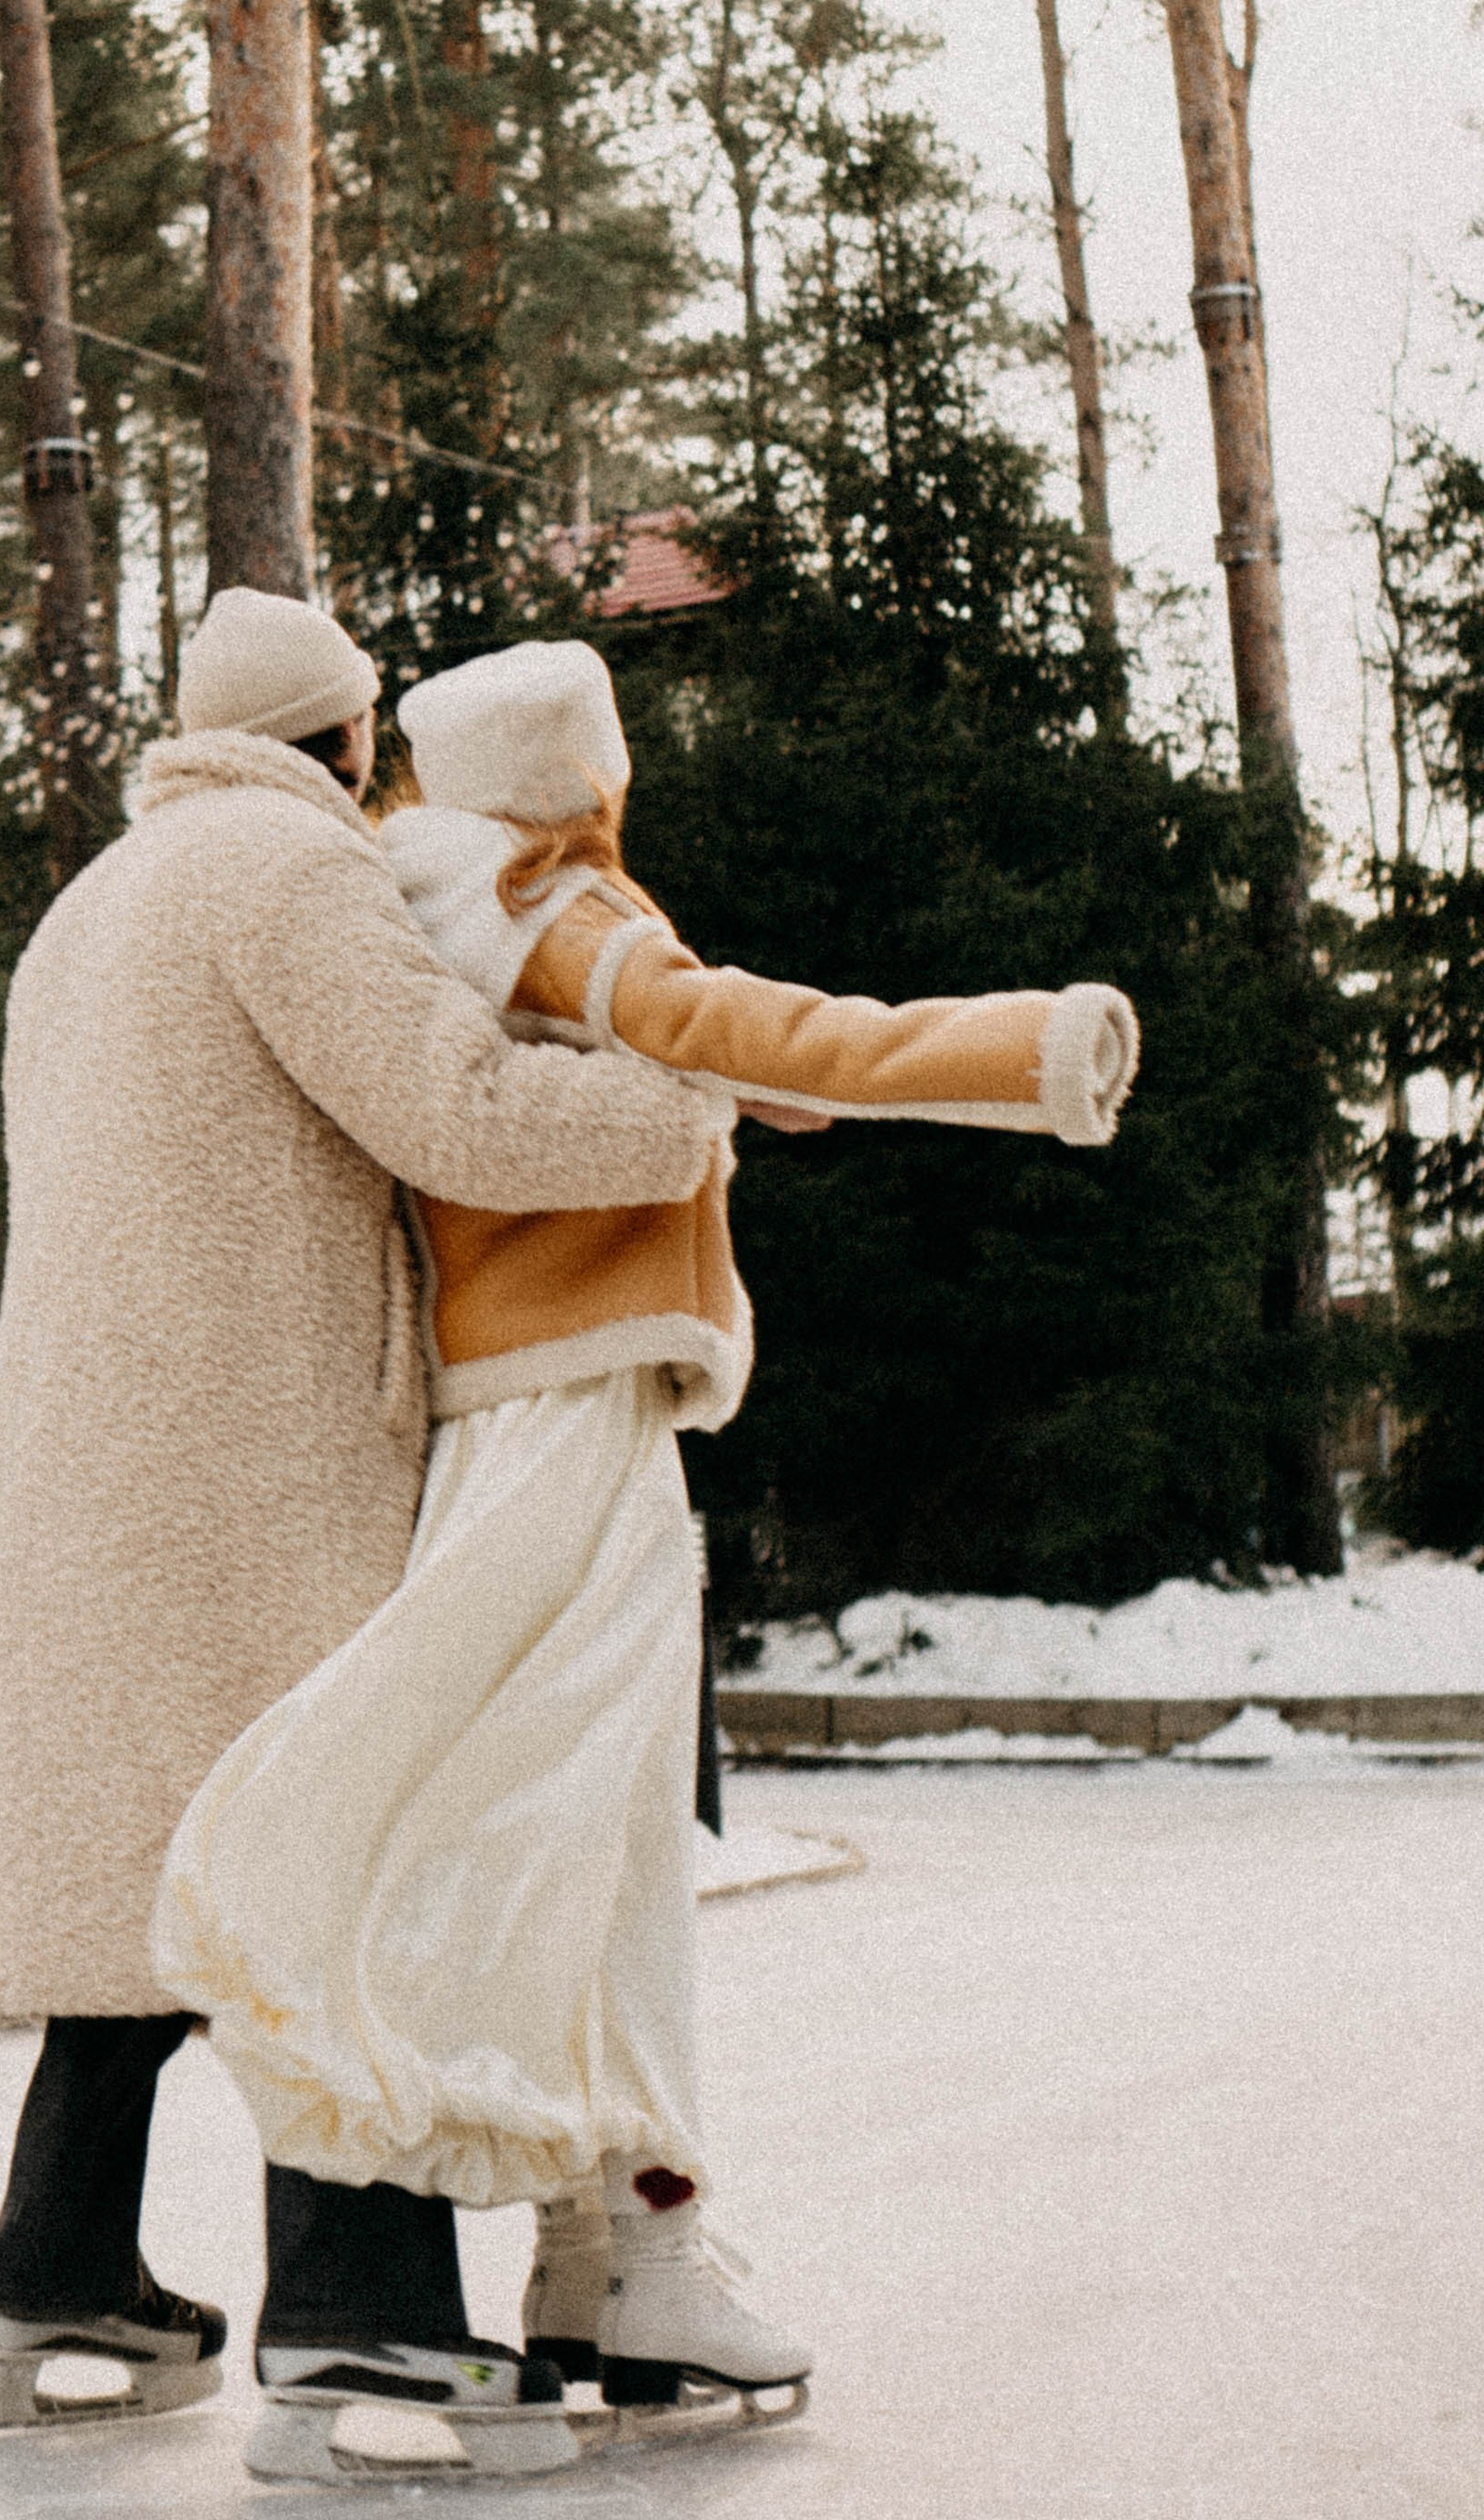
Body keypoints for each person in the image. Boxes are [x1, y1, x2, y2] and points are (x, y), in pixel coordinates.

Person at [155, 637, 1141, 2443]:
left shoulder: (440, 890)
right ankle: (567, 2235)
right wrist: (1024, 1048)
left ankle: (616, 2257)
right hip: (574, 1420)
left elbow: (683, 1054)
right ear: (581, 782)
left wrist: (716, 1082)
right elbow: (750, 1024)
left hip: (520, 1413)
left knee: (590, 1837)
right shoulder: (560, 905)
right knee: (550, 1826)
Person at [0, 592, 738, 2465]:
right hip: (253, 1445)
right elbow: (445, 1105)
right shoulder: (291, 877)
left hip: (81, 1452)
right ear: (337, 739)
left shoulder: (92, 905)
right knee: (335, 1853)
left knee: (149, 1868)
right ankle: (357, 2325)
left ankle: (53, 2273)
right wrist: (675, 1113)